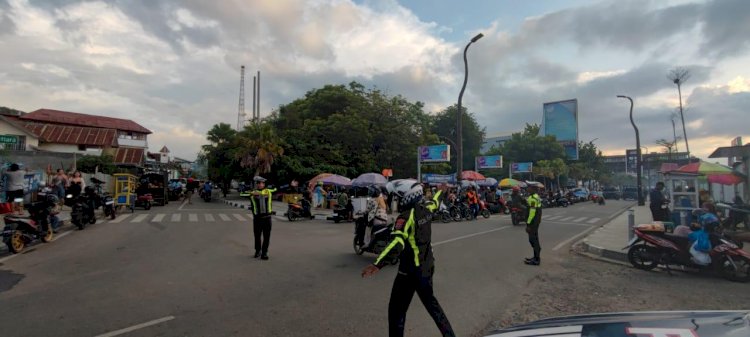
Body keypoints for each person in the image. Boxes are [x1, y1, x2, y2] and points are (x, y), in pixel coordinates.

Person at [361, 181, 455, 337]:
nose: (395, 199)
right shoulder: (425, 209)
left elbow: (396, 243)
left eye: (398, 197)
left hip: (409, 272)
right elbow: (435, 202)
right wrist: (440, 191)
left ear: (407, 197)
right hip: (427, 268)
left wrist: (378, 264)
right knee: (433, 307)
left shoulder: (405, 217)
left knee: (396, 311)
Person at [250, 176, 276, 260]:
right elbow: (242, 193)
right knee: (257, 236)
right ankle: (258, 251)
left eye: (263, 183)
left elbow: (276, 189)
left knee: (266, 236)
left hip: (267, 218)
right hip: (257, 219)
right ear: (256, 184)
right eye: (259, 183)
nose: (261, 184)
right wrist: (252, 193)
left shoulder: (268, 191)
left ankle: (264, 253)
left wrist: (291, 184)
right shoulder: (252, 193)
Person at [524, 185, 543, 266]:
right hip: (536, 221)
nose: (527, 189)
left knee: (532, 240)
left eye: (529, 187)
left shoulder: (533, 198)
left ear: (533, 189)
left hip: (533, 222)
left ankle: (537, 259)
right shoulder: (536, 196)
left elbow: (532, 212)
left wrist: (528, 224)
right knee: (534, 239)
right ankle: (535, 256)